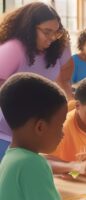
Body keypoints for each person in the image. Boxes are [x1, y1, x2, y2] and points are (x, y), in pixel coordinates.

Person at [0, 2, 73, 159]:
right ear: (29, 28)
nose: (52, 38)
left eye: (56, 32)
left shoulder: (56, 49)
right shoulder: (13, 49)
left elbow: (63, 82)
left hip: (34, 134)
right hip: (6, 135)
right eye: (47, 32)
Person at [0, 73, 67, 200]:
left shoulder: (12, 157)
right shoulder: (32, 163)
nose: (62, 133)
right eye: (60, 125)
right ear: (40, 127)